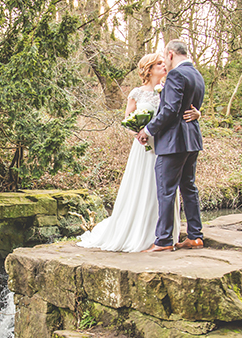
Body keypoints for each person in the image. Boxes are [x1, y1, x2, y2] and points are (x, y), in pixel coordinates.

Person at [77, 52, 200, 253]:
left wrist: (198, 113)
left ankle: (161, 235)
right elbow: (127, 120)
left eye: (164, 62)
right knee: (143, 186)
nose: (164, 65)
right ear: (148, 69)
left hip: (166, 145)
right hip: (144, 147)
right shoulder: (137, 92)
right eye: (159, 63)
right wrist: (137, 133)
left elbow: (178, 111)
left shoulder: (169, 87)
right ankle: (139, 232)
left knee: (163, 190)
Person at [138, 40, 205, 252]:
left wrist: (148, 130)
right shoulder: (197, 75)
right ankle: (195, 236)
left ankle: (164, 240)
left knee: (166, 190)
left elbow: (170, 110)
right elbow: (191, 107)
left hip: (173, 142)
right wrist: (198, 113)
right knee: (189, 188)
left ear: (169, 54)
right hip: (191, 140)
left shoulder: (176, 74)